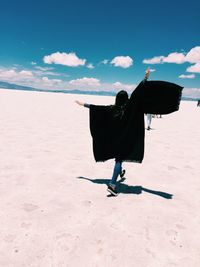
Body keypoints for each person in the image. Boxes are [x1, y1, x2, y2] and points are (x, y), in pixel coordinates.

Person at [75, 69, 183, 196]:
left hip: (115, 139)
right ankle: (112, 185)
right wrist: (145, 78)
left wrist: (83, 104)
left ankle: (118, 176)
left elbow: (97, 109)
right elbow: (137, 94)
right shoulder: (130, 107)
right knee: (119, 160)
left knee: (119, 160)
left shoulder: (112, 109)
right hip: (126, 139)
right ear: (126, 98)